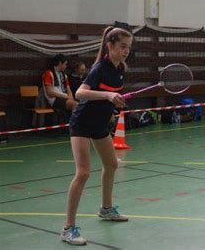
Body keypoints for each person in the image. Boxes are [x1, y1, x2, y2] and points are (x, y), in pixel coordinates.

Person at [61, 27, 132, 245]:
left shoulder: (120, 68)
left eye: (128, 47)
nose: (126, 51)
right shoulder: (99, 68)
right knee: (83, 173)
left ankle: (106, 209)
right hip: (82, 124)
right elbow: (81, 93)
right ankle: (68, 228)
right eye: (122, 46)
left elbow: (110, 98)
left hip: (100, 124)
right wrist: (109, 95)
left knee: (111, 165)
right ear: (110, 46)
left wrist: (113, 105)